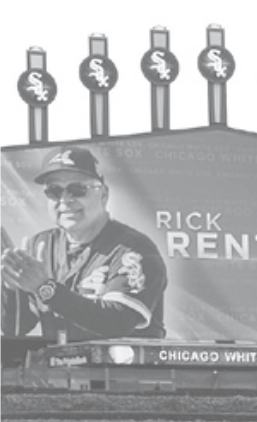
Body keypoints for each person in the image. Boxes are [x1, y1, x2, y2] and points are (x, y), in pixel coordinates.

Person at [1, 146, 167, 341]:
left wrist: (45, 288)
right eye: (54, 191)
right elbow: (15, 328)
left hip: (122, 370)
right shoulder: (41, 246)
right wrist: (10, 288)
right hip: (62, 369)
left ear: (103, 195)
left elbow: (118, 322)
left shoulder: (134, 250)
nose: (65, 200)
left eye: (77, 189)